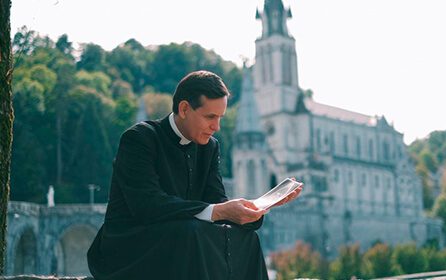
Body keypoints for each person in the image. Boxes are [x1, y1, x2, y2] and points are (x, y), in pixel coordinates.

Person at [87, 70, 301, 280]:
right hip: (129, 247)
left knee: (246, 238)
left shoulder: (209, 147)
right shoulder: (139, 138)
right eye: (210, 117)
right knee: (191, 232)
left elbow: (216, 201)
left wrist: (256, 208)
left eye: (220, 118)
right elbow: (147, 205)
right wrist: (218, 211)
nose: (216, 127)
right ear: (184, 108)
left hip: (182, 237)